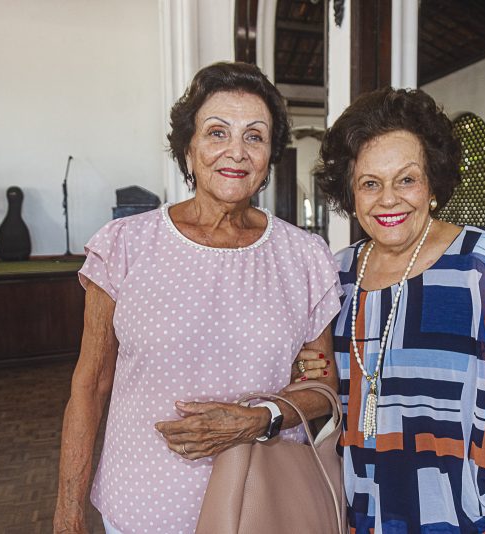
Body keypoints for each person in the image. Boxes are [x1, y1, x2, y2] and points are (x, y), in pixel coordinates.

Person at [53, 62, 342, 534]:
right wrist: (67, 514)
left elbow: (321, 390)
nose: (236, 151)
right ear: (188, 149)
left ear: (269, 157)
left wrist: (258, 418)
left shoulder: (304, 256)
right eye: (217, 132)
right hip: (142, 506)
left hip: (261, 505)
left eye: (255, 136)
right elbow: (88, 387)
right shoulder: (125, 245)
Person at [296, 87, 485, 533]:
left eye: (406, 179)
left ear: (432, 184)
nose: (388, 199)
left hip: (480, 514)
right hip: (375, 513)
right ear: (350, 192)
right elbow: (325, 385)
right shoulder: (339, 276)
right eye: (370, 183)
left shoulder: (482, 262)